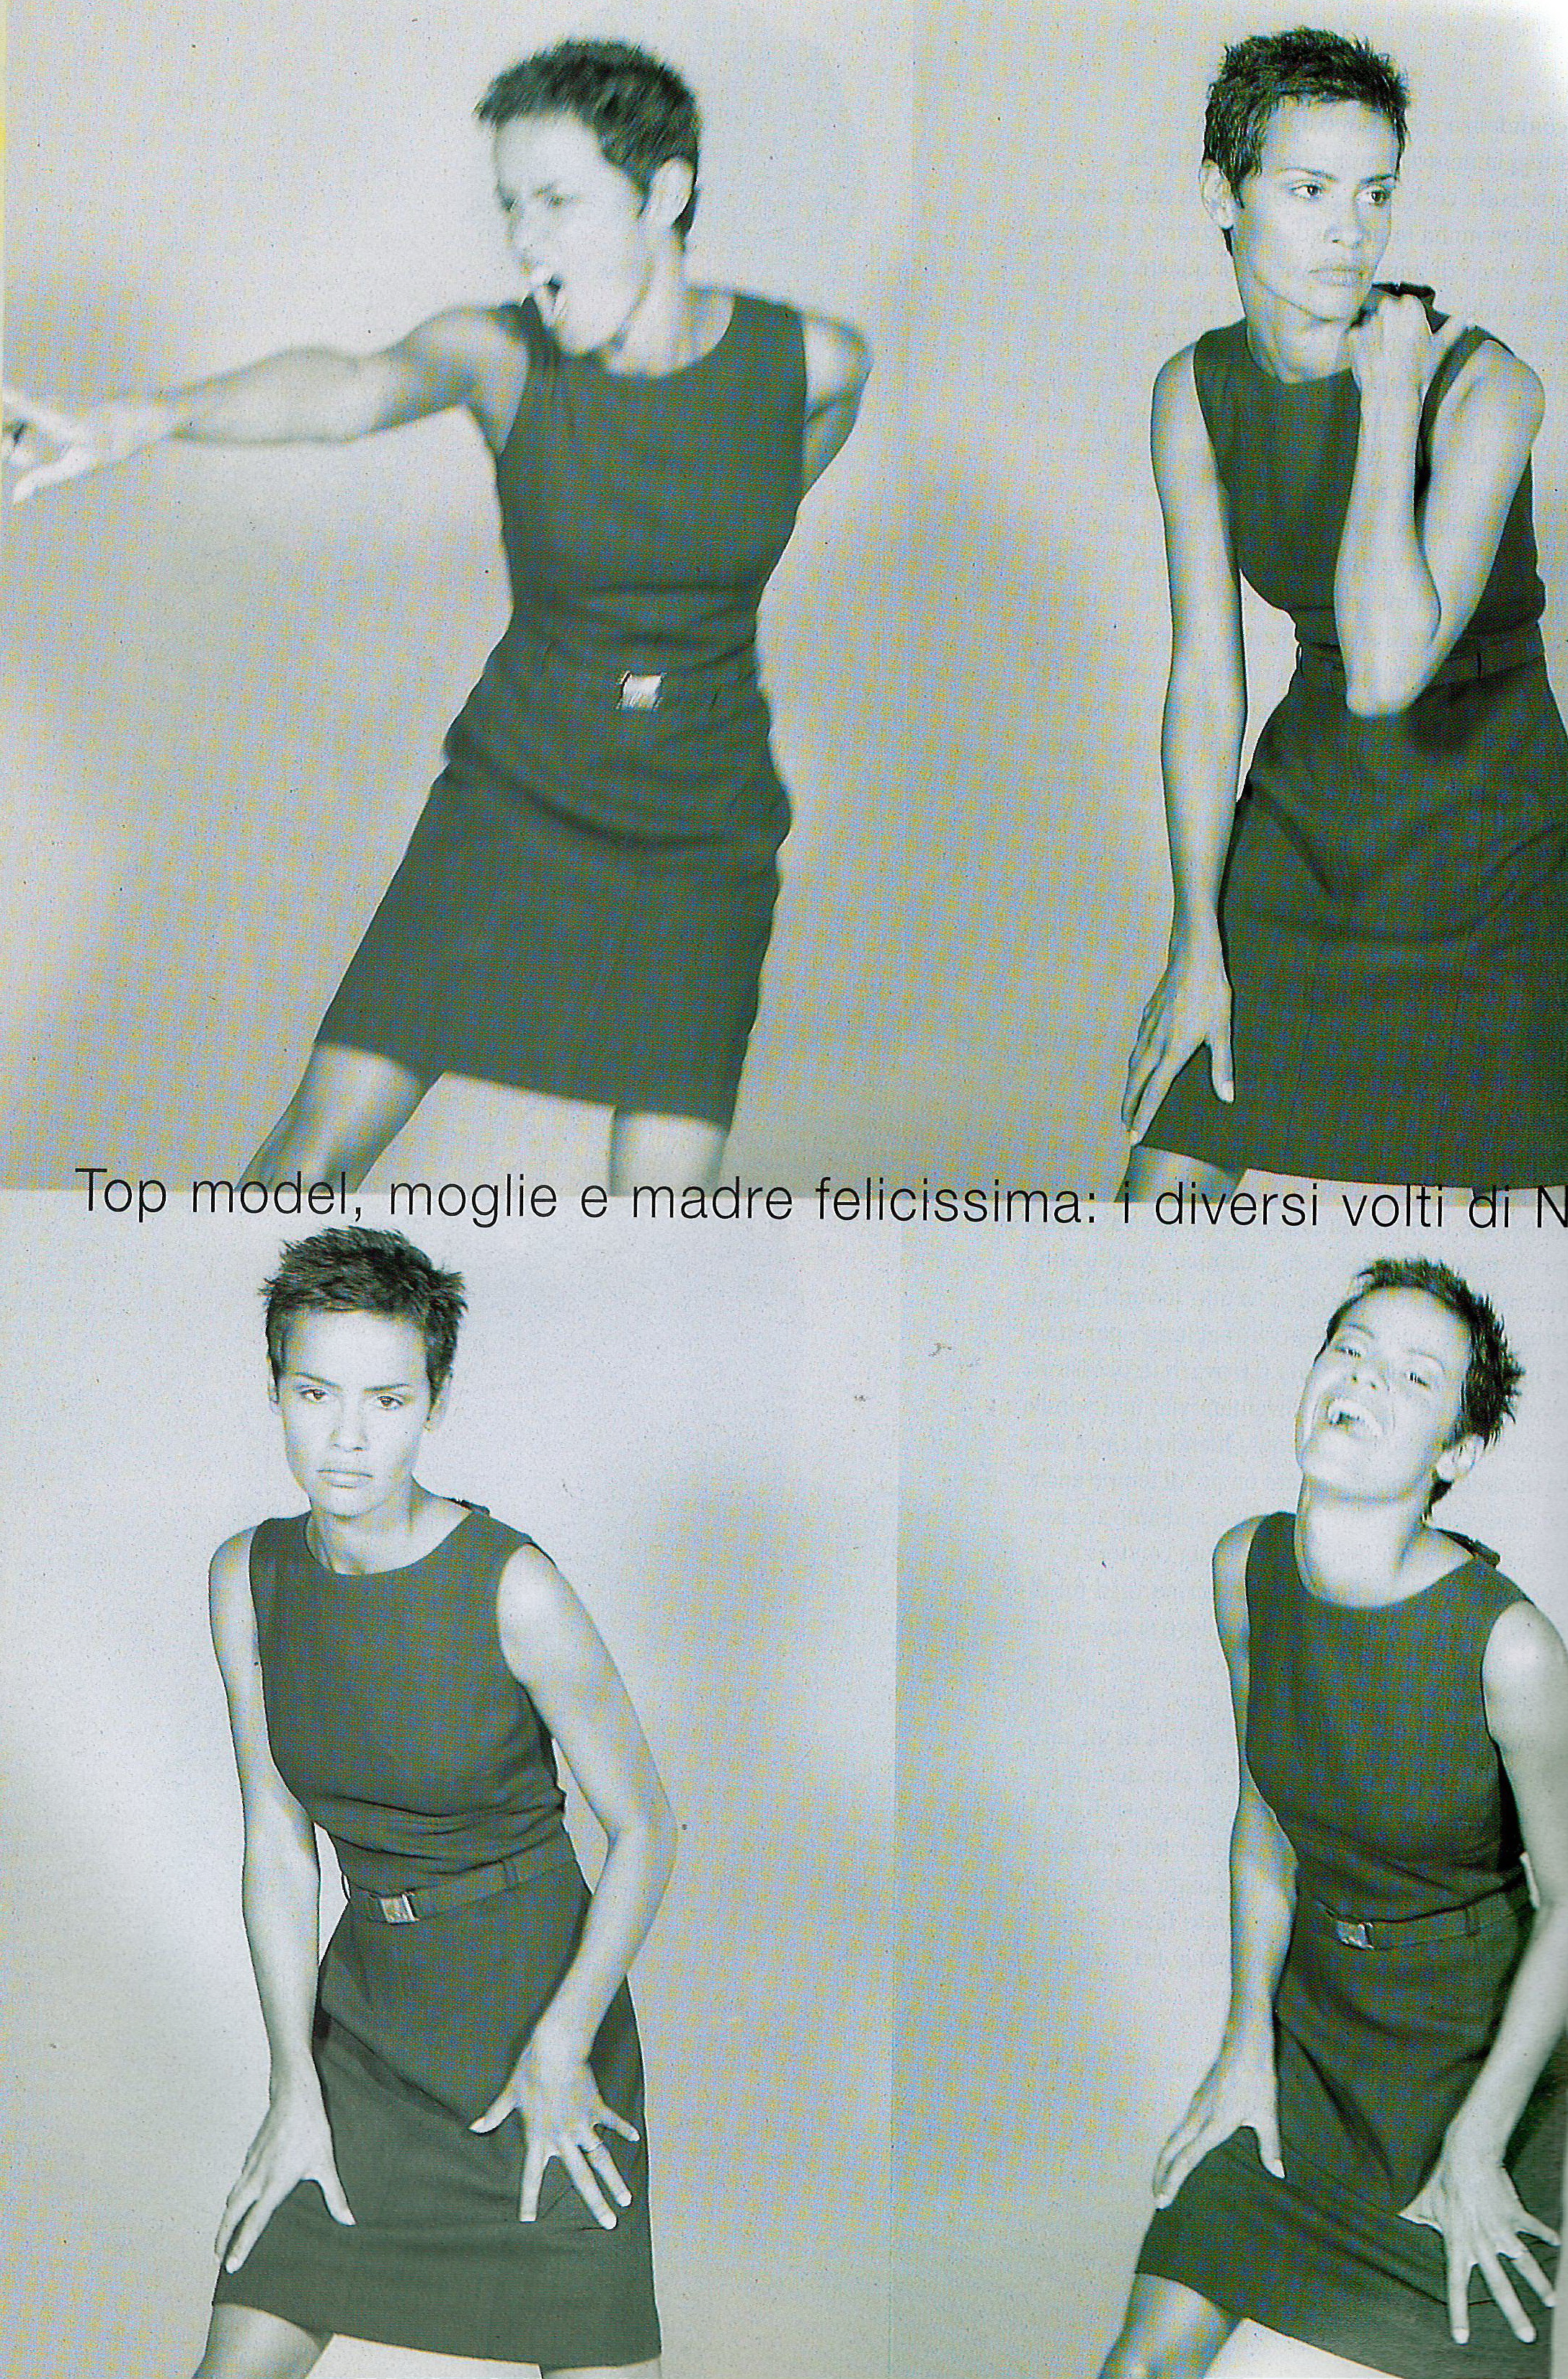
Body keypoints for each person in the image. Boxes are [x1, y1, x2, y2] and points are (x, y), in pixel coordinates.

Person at [4, 38, 870, 1195]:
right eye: (512, 205)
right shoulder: (498, 354)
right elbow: (348, 388)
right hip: (518, 794)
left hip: (702, 829)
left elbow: (756, 502)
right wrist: (141, 419)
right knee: (309, 1161)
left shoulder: (814, 363)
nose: (526, 240)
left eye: (557, 201)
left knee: (661, 1227)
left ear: (664, 194)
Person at [1097, 1258, 1568, 2379]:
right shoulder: (1245, 1566)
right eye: (1349, 1348)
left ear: (1455, 1453)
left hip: (1465, 2070)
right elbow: (1264, 1822)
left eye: (1414, 1376)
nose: (1364, 1380)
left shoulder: (1507, 1644)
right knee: (1139, 2365)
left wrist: (1477, 2139)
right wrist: (1244, 2049)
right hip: (1310, 2043)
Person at [1118, 30, 1568, 1199]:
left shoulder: (1485, 386)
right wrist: (1195, 938)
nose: (1351, 231)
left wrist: (1387, 399)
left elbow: (1387, 670)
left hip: (1484, 816)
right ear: (1221, 195)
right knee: (1157, 1195)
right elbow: (1206, 682)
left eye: (1374, 192)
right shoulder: (1193, 390)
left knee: (1518, 1234)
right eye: (1308, 190)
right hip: (1309, 812)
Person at [199, 1225, 678, 2378]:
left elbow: (646, 1827)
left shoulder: (513, 1584)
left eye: (389, 1399)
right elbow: (278, 1844)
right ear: (275, 1388)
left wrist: (563, 2041)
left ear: (435, 1402)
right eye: (315, 1392)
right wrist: (292, 2083)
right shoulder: (246, 1574)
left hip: (537, 2031)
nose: (348, 1436)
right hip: (364, 2036)